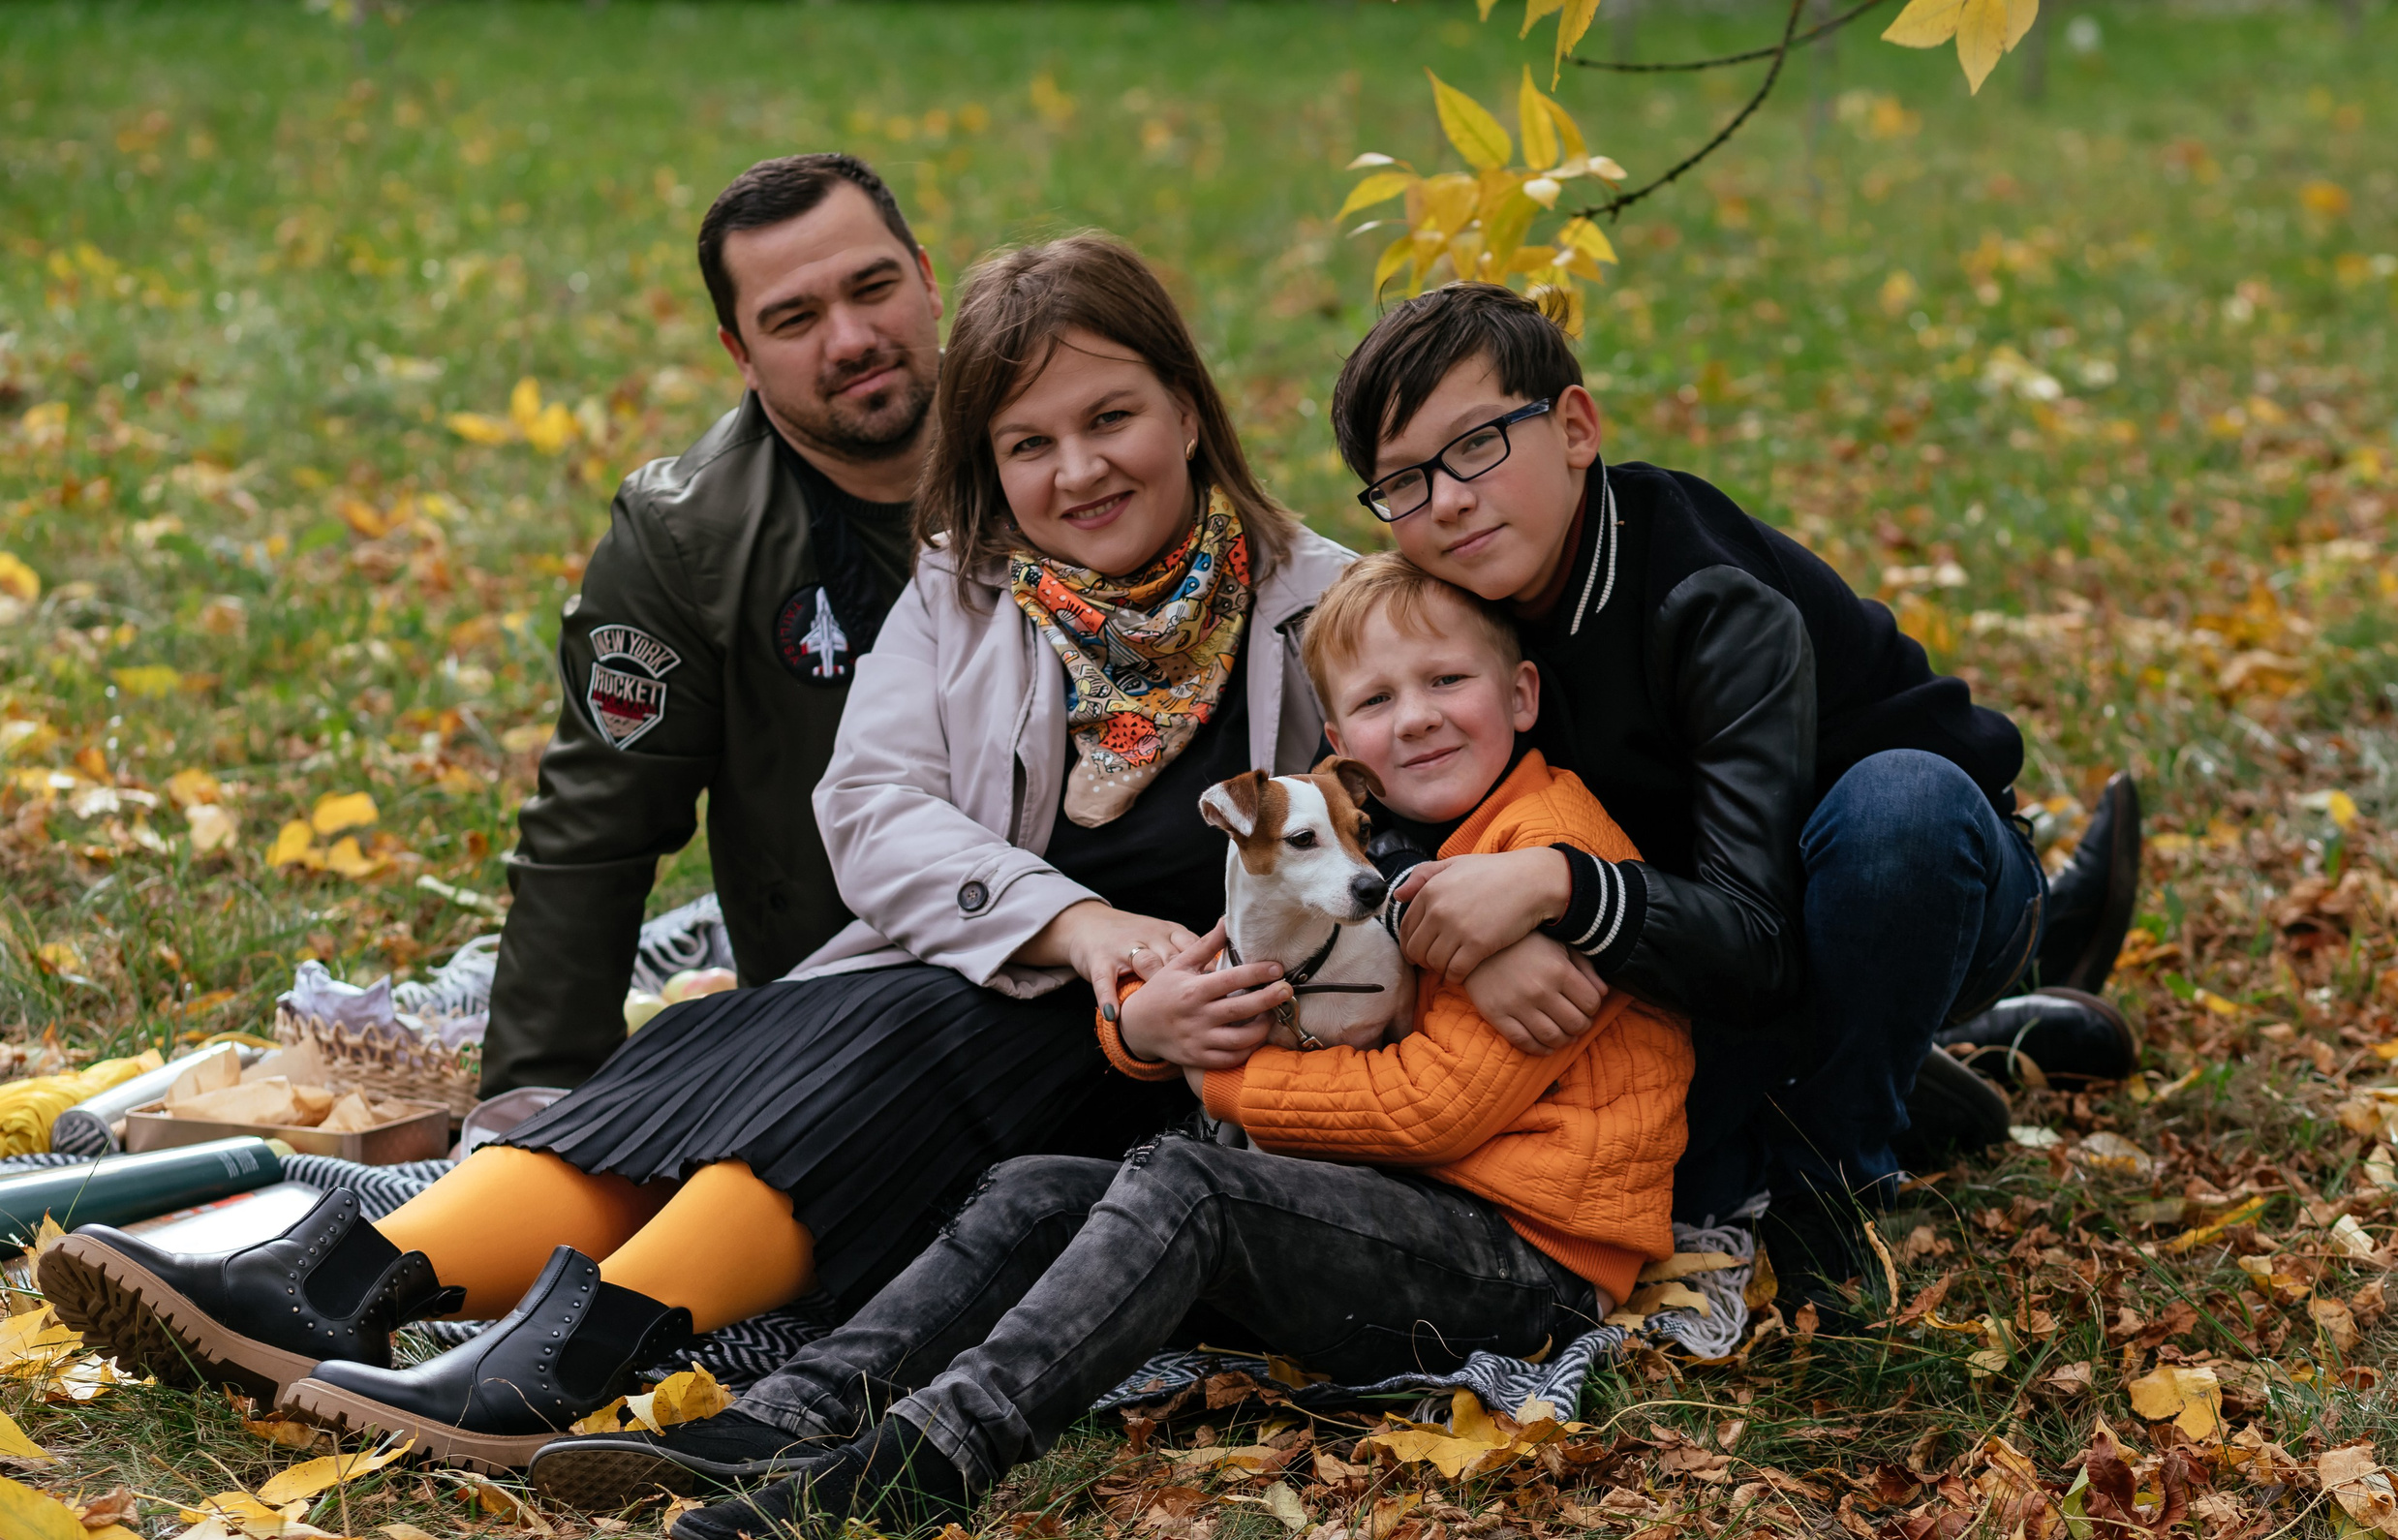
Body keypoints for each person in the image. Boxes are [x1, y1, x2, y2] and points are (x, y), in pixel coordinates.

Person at [40, 234, 1390, 1472]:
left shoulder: (1321, 607)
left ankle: (563, 1357)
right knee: (721, 1041)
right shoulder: (968, 591)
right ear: (987, 464)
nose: (1079, 471)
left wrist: (1185, 1004)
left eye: (1111, 419)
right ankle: (342, 1278)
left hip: (1166, 1078)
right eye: (1029, 442)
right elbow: (872, 808)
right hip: (992, 983)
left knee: (912, 1035)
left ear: (1188, 407)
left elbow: (1397, 864)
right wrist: (1082, 932)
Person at [525, 553, 1693, 1540]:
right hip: (1378, 1220)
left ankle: (928, 1455)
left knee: (1184, 1180)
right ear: (1338, 743)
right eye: (1380, 700)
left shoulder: (1547, 847)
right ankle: (788, 1410)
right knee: (1040, 1193)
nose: (1420, 716)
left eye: (1449, 681)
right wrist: (1148, 1036)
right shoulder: (1375, 843)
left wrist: (1224, 1079)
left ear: (1524, 693)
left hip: (1523, 1261)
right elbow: (1249, 971)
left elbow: (1435, 1109)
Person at [1324, 283, 2137, 1318]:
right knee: (1653, 1161)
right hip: (1679, 955)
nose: (1446, 500)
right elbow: (1359, 802)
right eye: (1402, 481)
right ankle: (1928, 1071)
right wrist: (1447, 919)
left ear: (1575, 429)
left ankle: (1830, 1179)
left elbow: (1757, 938)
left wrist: (1554, 887)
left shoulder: (1702, 597)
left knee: (1898, 809)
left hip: (1906, 888)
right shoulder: (1445, 608)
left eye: (1478, 444)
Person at [483, 152, 943, 1097]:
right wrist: (525, 1104)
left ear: (929, 279)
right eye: (795, 319)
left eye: (874, 288)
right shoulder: (687, 541)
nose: (851, 339)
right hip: (846, 1023)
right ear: (739, 352)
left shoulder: (1071, 447)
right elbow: (594, 835)